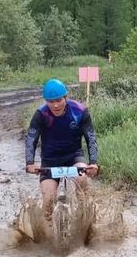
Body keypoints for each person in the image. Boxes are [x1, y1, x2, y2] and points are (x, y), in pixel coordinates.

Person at [25, 79, 100, 218]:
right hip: (50, 160)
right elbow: (31, 139)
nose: (55, 105)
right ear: (46, 101)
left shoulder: (79, 111)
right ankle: (46, 233)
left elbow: (91, 138)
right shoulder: (41, 115)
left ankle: (86, 216)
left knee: (82, 179)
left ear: (66, 97)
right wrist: (29, 163)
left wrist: (94, 162)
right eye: (51, 101)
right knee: (48, 200)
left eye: (59, 100)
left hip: (74, 156)